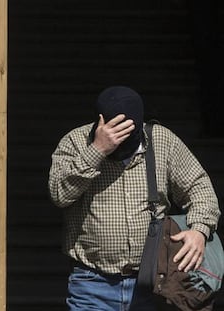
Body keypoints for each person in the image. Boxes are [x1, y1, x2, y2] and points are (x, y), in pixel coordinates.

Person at [48, 86, 221, 310]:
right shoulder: (75, 142)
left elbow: (200, 189)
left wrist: (199, 230)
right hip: (91, 283)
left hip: (153, 284)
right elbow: (59, 195)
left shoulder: (162, 140)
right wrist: (97, 150)